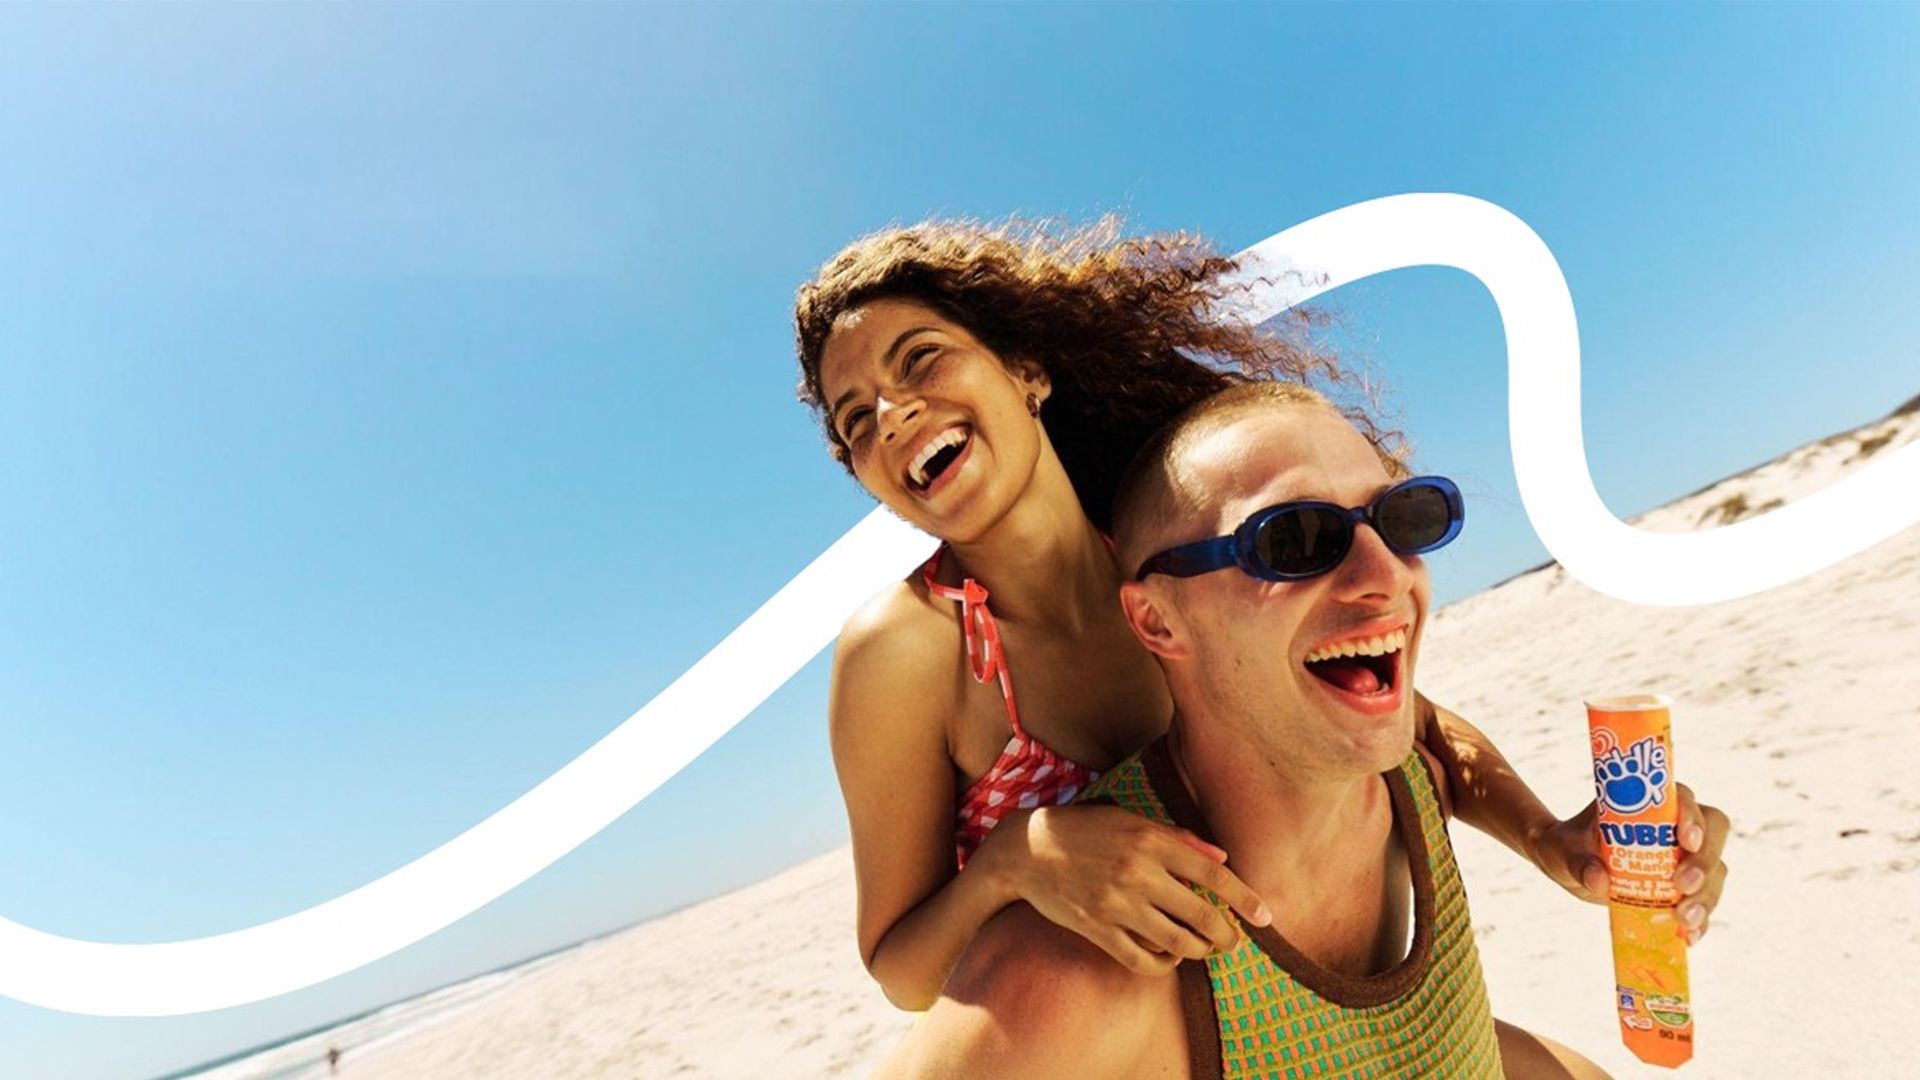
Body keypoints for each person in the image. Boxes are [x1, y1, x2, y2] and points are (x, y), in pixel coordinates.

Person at [794, 218, 1729, 1012]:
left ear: (1025, 371)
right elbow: (902, 972)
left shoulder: (1169, 539)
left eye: (920, 359)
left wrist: (1550, 841)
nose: (891, 413)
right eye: (854, 422)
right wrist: (1020, 858)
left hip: (1288, 1000)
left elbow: (1382, 701)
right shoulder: (910, 648)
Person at [877, 383, 1714, 1078]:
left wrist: (1556, 843)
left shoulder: (1412, 775)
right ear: (1157, 622)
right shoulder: (1083, 967)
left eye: (1402, 518)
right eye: (1296, 541)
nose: (1387, 576)